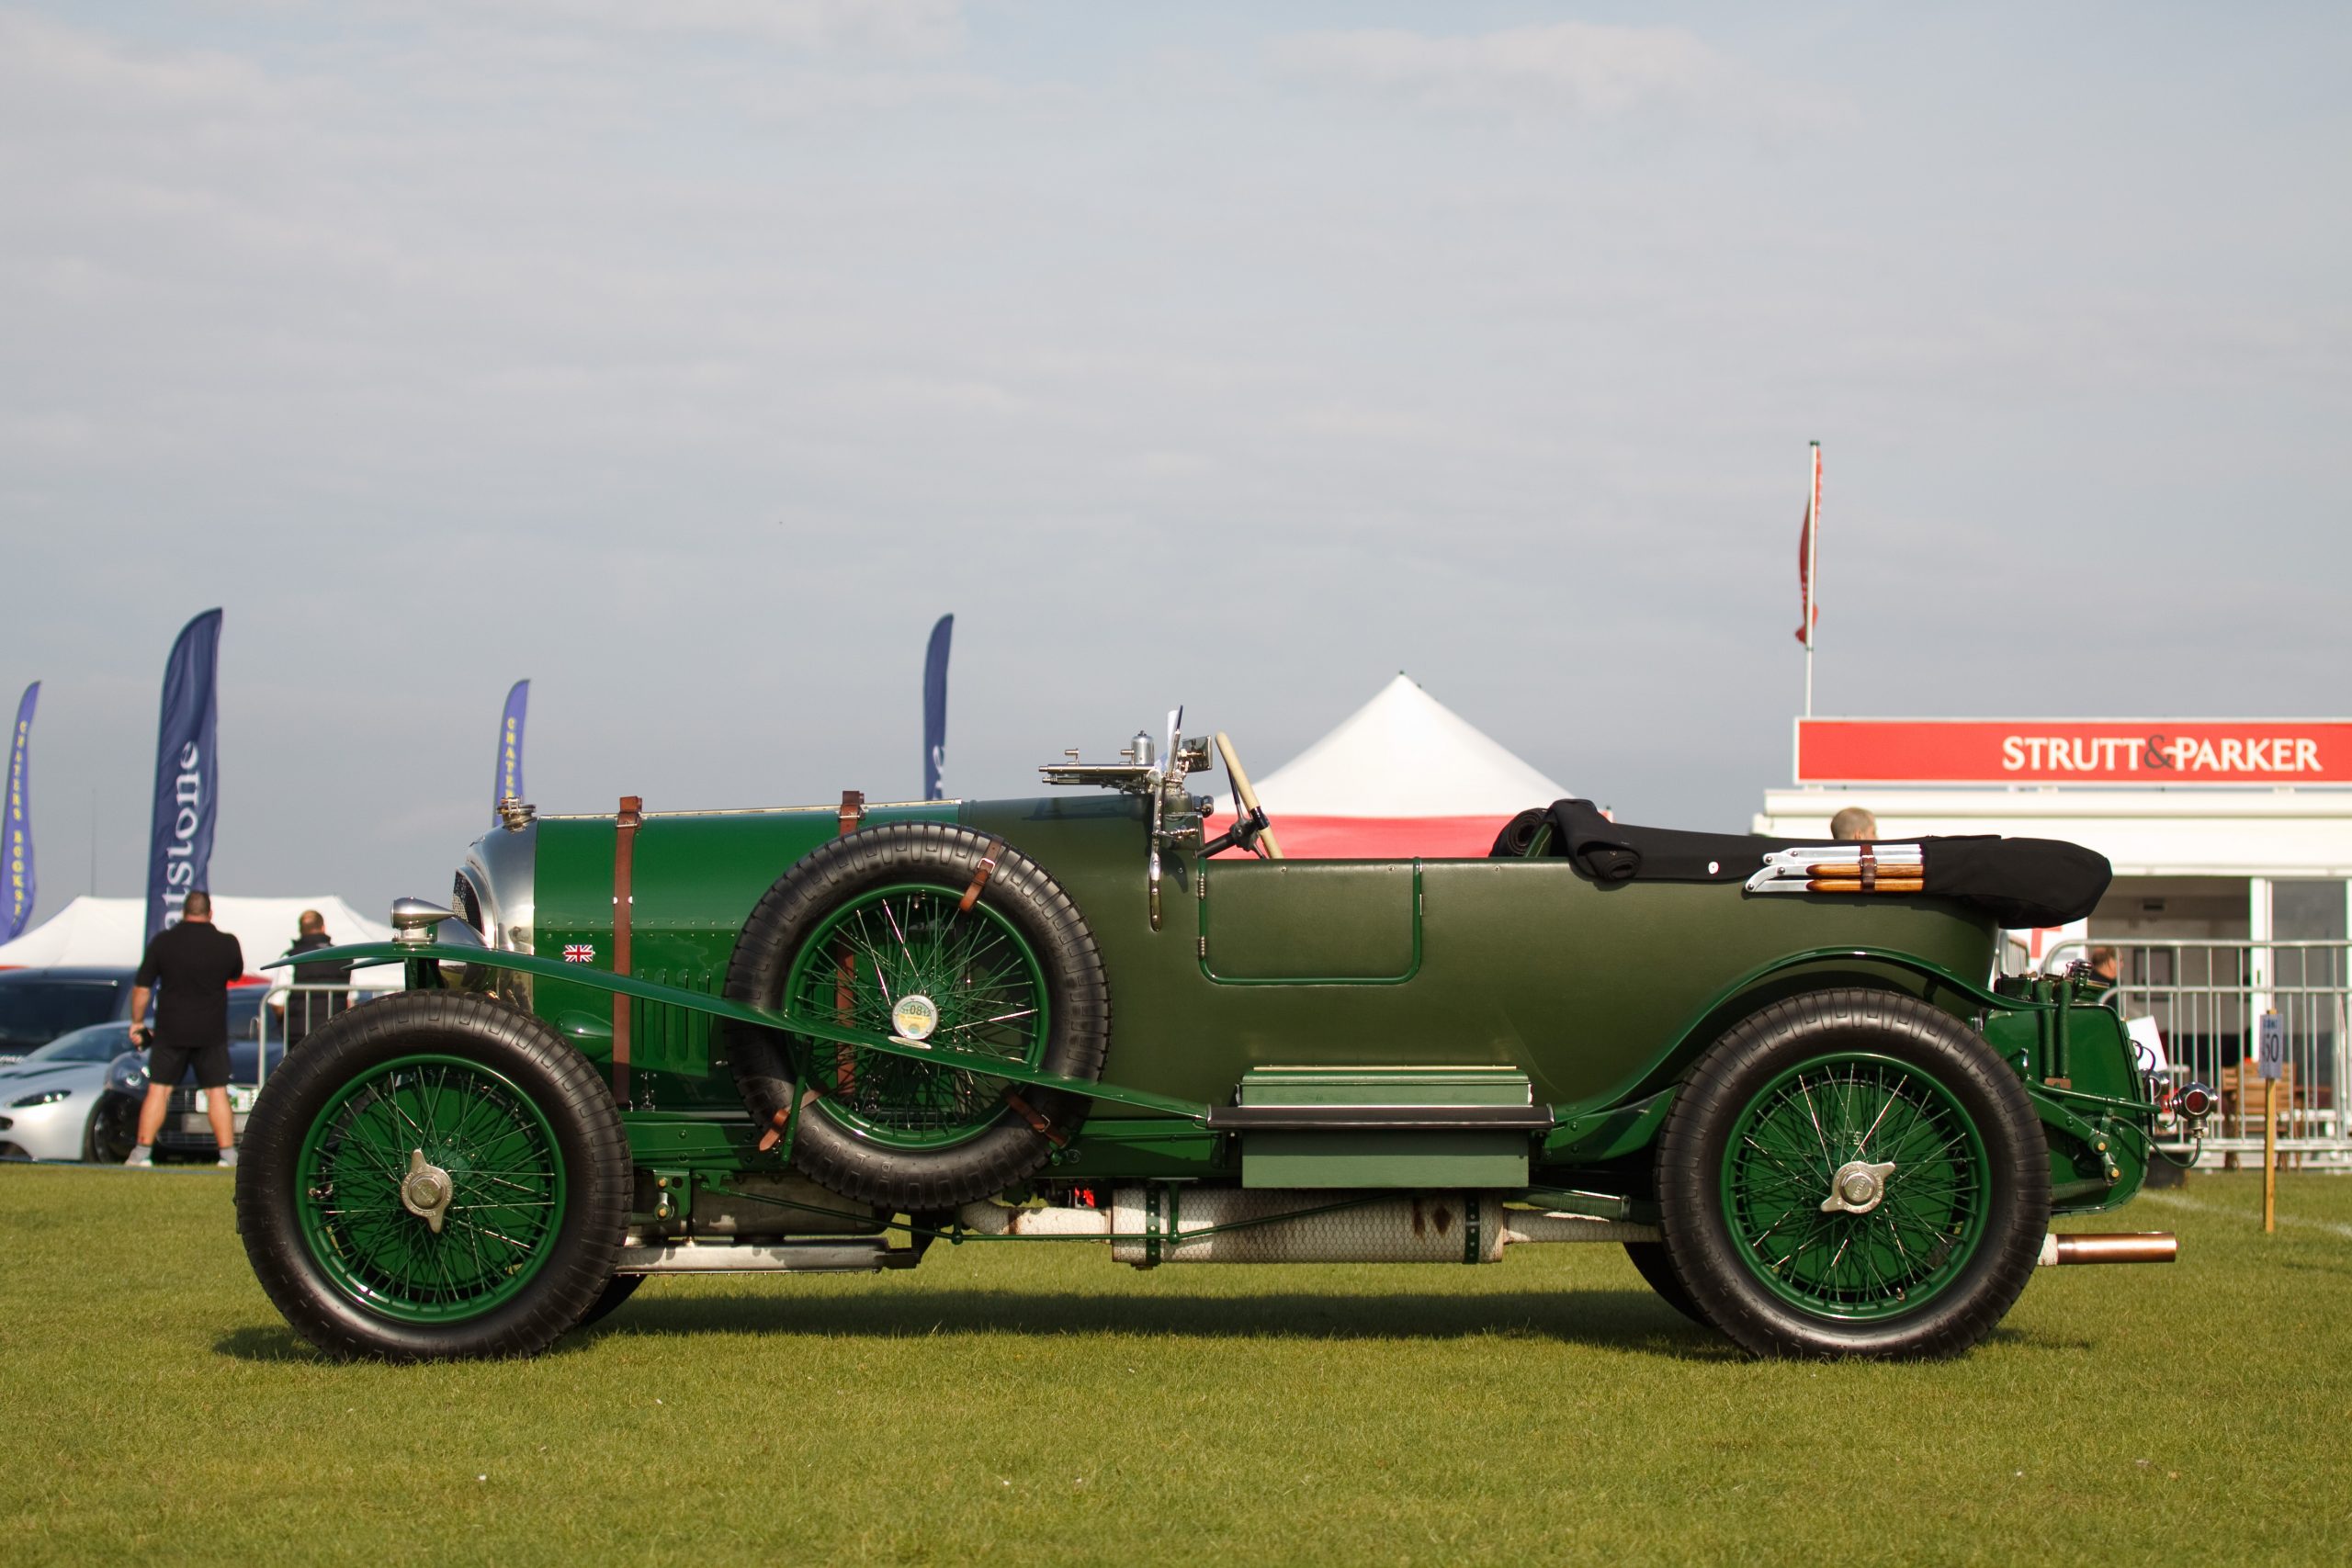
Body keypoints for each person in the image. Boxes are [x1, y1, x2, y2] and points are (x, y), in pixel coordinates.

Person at [123, 890, 245, 1168]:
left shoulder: (164, 942)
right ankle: (227, 1154)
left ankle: (142, 1152)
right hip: (211, 1031)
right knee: (216, 1091)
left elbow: (142, 987)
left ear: (184, 912)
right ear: (210, 912)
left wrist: (137, 1022)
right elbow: (235, 973)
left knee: (159, 1090)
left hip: (171, 1030)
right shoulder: (226, 943)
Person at [275, 908, 353, 1047]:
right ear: (323, 927)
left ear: (300, 930)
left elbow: (276, 1001)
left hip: (299, 1036)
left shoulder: (291, 958)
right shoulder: (345, 957)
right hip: (335, 1034)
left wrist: (284, 1021)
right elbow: (350, 1001)